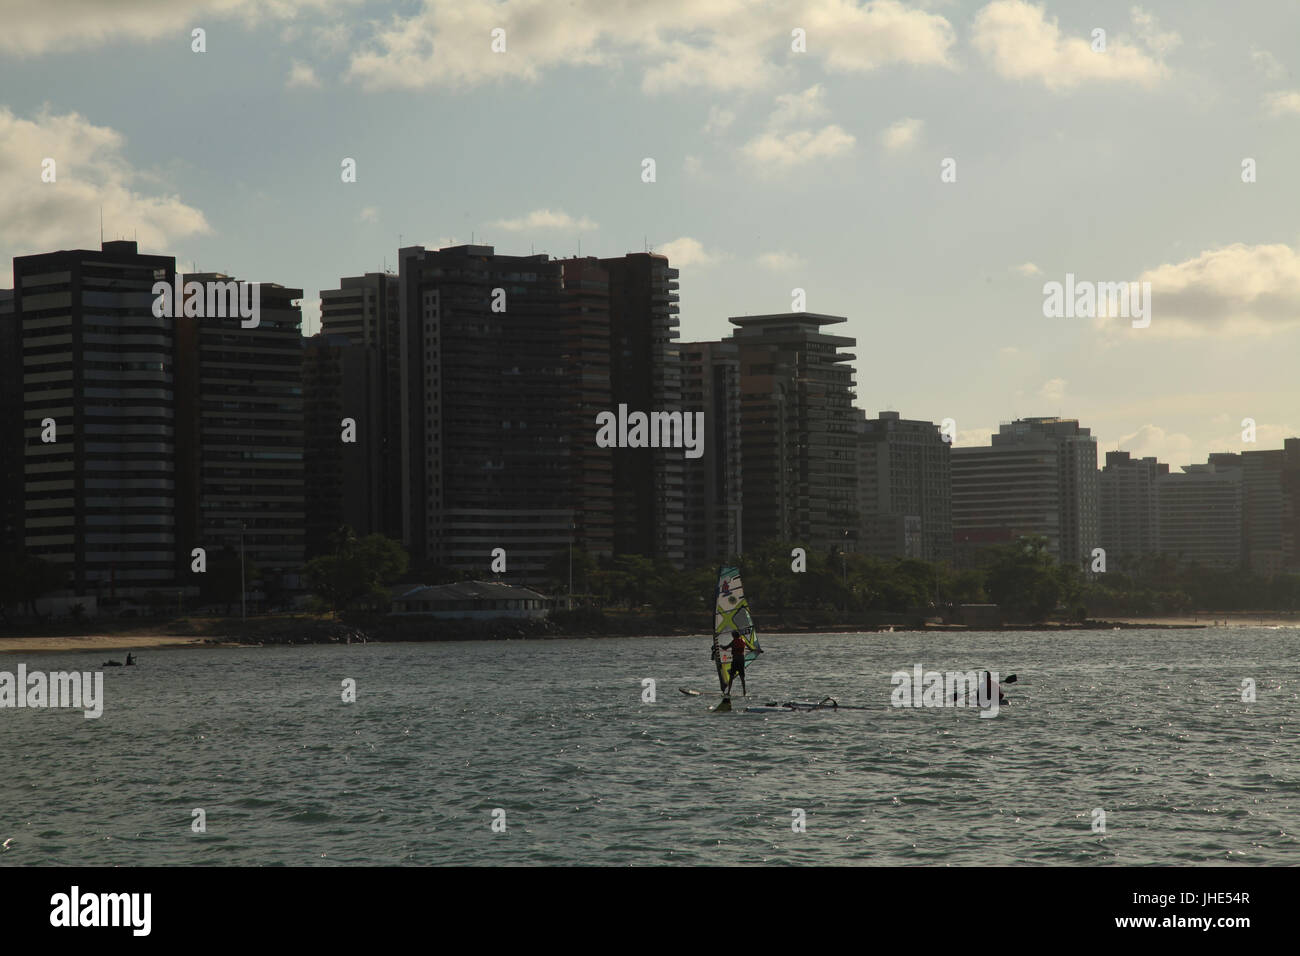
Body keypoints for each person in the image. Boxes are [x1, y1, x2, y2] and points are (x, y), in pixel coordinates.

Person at [721, 630, 753, 697]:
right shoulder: (743, 641)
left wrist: (719, 646)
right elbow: (750, 648)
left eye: (732, 635)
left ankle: (729, 692)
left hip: (735, 661)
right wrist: (755, 650)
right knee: (742, 677)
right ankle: (744, 692)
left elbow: (725, 648)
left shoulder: (733, 641)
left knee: (731, 676)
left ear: (734, 636)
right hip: (741, 660)